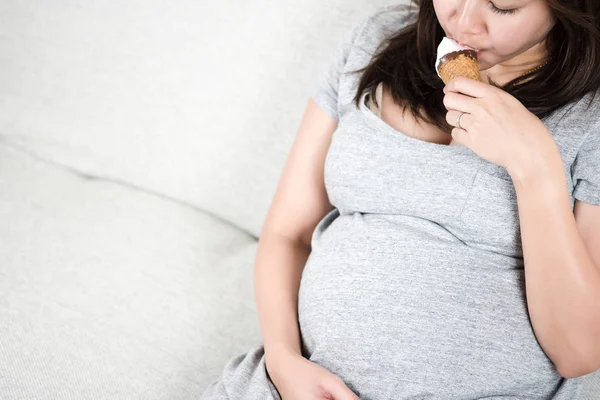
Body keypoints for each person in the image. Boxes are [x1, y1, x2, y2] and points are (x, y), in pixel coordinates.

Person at [202, 0, 600, 398]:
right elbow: (288, 232)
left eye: (502, 6)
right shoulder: (376, 39)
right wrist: (284, 361)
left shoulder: (592, 114)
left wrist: (536, 168)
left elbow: (579, 352)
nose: (462, 21)